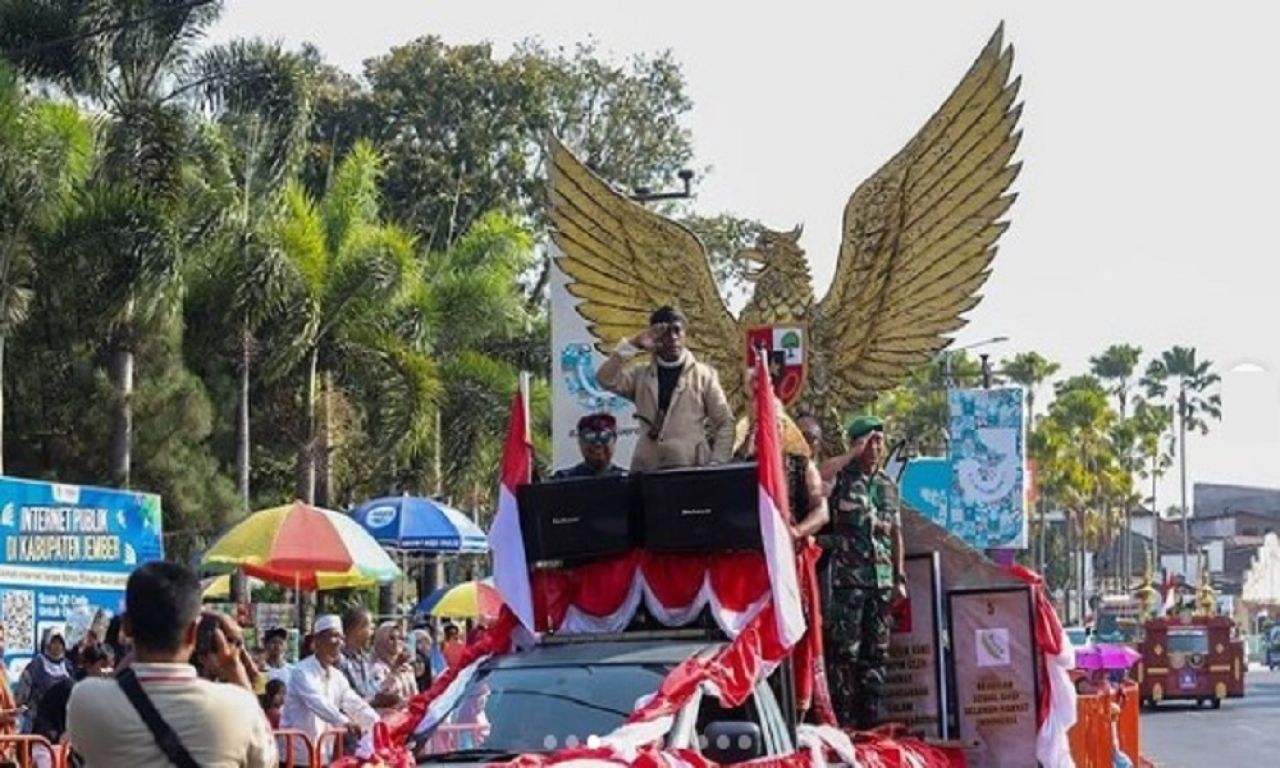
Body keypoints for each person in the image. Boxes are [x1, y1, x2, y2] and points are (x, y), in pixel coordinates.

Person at [66, 561, 276, 767]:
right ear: (193, 632)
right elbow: (268, 761)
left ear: (127, 627)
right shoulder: (239, 707)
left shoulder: (86, 699)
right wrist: (236, 671)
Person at [820, 415, 908, 729]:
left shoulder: (886, 484)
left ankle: (869, 725)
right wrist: (850, 455)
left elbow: (895, 533)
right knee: (845, 655)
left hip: (881, 583)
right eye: (869, 441)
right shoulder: (843, 478)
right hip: (850, 583)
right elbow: (817, 478)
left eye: (879, 441)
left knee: (877, 657)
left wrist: (900, 578)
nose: (876, 446)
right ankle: (843, 724)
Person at [596, 305, 735, 471]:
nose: (673, 337)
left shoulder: (704, 375)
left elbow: (725, 422)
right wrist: (633, 344)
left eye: (678, 330)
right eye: (665, 332)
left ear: (685, 335)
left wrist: (717, 463)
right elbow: (605, 379)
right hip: (648, 470)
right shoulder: (640, 375)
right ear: (654, 337)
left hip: (693, 470)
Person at [281, 614, 378, 766]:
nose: (339, 642)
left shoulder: (337, 676)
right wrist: (344, 722)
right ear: (317, 641)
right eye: (333, 636)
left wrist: (376, 722)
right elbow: (317, 701)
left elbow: (354, 703)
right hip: (296, 757)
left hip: (323, 754)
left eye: (341, 638)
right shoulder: (301, 671)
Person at [337, 606, 399, 709]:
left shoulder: (364, 659)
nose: (372, 633)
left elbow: (371, 690)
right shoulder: (339, 661)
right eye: (370, 628)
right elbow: (345, 702)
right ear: (358, 629)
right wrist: (375, 701)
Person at [16, 627, 72, 731]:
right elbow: (21, 696)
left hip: (61, 722)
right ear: (47, 644)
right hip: (38, 722)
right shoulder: (36, 666)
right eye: (54, 642)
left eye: (60, 643)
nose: (57, 646)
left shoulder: (68, 667)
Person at [552, 413, 626, 478]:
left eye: (604, 437)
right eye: (590, 437)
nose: (598, 444)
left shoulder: (627, 480)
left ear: (614, 440)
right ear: (580, 441)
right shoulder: (562, 479)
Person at [370, 622, 418, 708]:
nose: (397, 642)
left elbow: (415, 695)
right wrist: (394, 669)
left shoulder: (407, 668)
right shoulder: (377, 668)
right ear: (382, 640)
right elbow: (380, 695)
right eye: (391, 638)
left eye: (400, 638)